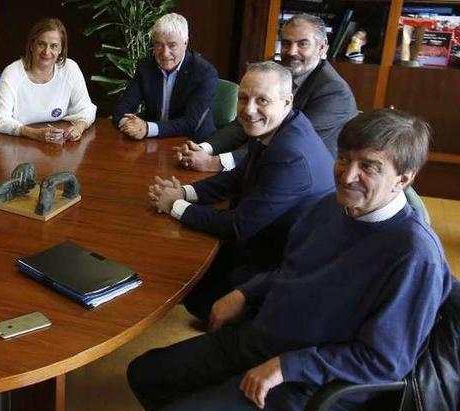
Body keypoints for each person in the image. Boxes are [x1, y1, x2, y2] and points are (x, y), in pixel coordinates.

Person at [129, 108, 452, 411]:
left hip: (313, 383)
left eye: (369, 167)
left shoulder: (413, 254)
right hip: (262, 340)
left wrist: (289, 365)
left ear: (403, 178)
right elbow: (291, 267)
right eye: (344, 159)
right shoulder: (332, 207)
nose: (348, 176)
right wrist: (246, 292)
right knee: (146, 373)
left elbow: (385, 361)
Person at [150, 61, 333, 321]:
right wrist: (185, 192)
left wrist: (174, 206)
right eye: (243, 98)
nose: (249, 110)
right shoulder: (281, 127)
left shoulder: (291, 154)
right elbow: (238, 177)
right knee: (184, 265)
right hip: (266, 233)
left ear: (286, 101)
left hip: (286, 263)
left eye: (262, 100)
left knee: (191, 281)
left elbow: (239, 226)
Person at [177, 13, 356, 171]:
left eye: (302, 44)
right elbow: (242, 123)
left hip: (301, 178)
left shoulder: (333, 92)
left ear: (322, 47)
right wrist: (203, 149)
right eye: (286, 43)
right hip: (259, 167)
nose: (292, 52)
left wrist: (215, 162)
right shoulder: (276, 73)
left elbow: (284, 143)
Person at [111, 12, 218, 142]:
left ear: (185, 43)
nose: (165, 53)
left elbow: (190, 123)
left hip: (193, 144)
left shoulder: (204, 73)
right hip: (153, 142)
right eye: (158, 45)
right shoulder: (145, 67)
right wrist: (130, 125)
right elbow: (121, 109)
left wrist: (147, 128)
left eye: (172, 45)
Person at [0, 17, 96, 143]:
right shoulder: (12, 73)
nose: (47, 52)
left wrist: (78, 128)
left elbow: (88, 109)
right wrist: (34, 134)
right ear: (31, 45)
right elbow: (0, 120)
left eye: (54, 46)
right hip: (18, 143)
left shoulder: (70, 68)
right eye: (41, 44)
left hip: (57, 145)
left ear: (60, 50)